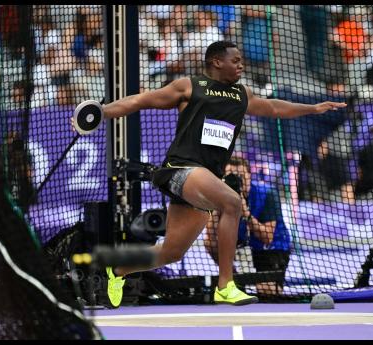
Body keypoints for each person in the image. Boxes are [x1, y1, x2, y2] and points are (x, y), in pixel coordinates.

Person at [73, 41, 346, 307]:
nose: (241, 65)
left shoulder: (241, 94)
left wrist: (313, 109)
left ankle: (117, 271)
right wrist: (102, 111)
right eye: (236, 60)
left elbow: (274, 107)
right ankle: (225, 286)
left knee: (172, 252)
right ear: (217, 61)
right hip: (181, 169)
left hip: (204, 180)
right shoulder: (190, 86)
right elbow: (142, 100)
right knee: (231, 202)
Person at [204, 156, 291, 297]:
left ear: (250, 177)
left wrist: (246, 214)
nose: (237, 180)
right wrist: (216, 208)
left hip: (269, 249)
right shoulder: (219, 196)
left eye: (241, 176)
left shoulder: (268, 194)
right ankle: (232, 277)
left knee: (267, 293)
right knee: (209, 243)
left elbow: (267, 238)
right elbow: (211, 237)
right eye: (231, 176)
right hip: (240, 246)